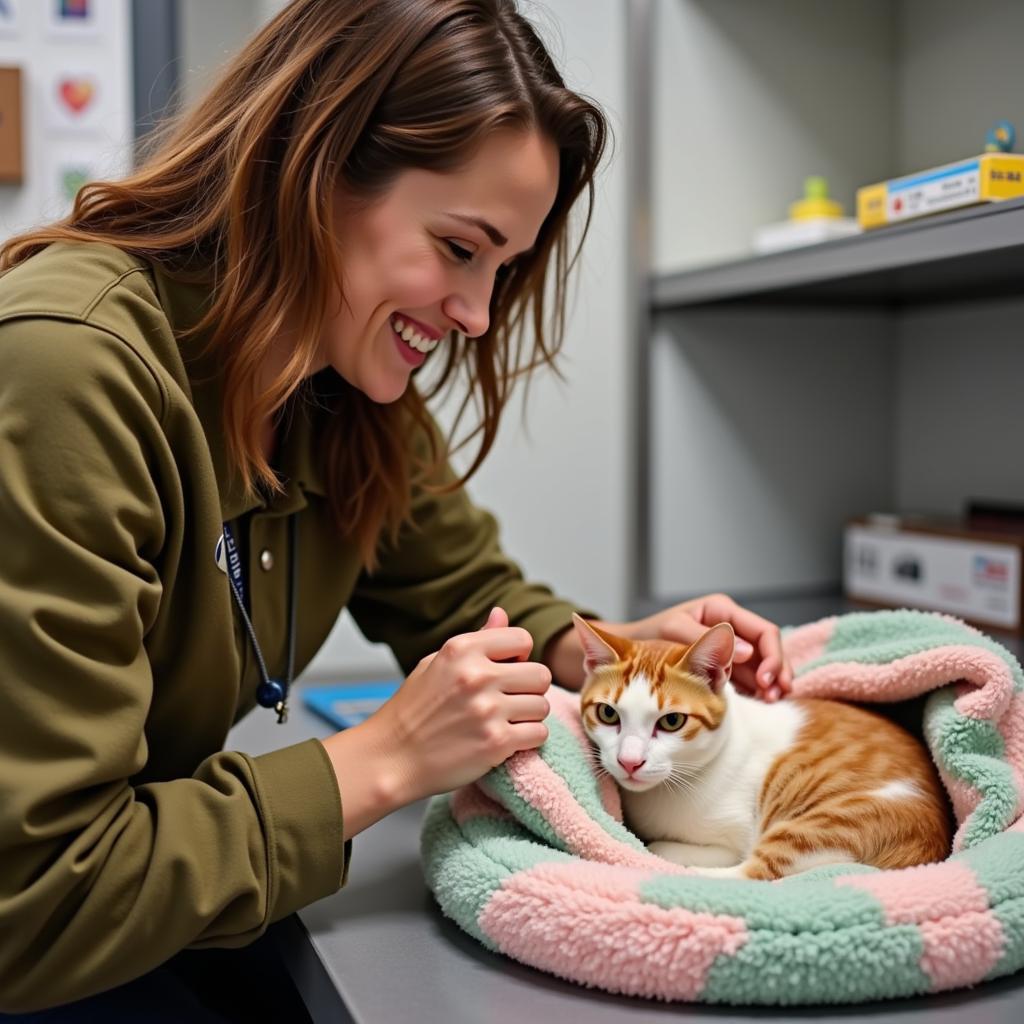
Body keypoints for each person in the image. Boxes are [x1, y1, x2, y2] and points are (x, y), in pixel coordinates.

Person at [0, 0, 792, 1017]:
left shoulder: (335, 387)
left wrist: (618, 648)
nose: (475, 316)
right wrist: (382, 757)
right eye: (461, 248)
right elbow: (33, 901)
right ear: (315, 169)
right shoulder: (65, 366)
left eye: (503, 271)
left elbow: (464, 590)